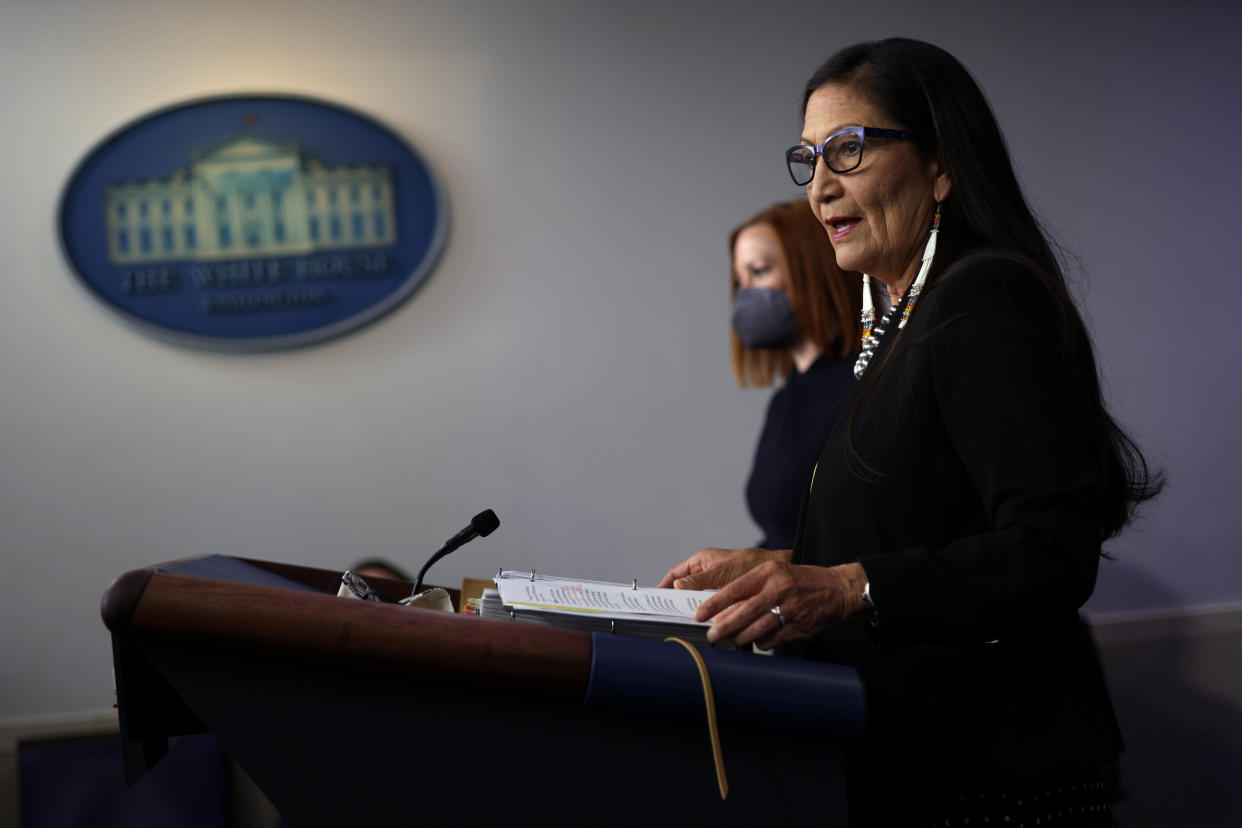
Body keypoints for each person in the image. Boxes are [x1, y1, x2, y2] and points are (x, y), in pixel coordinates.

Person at [660, 38, 1161, 827]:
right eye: (808, 158)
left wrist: (841, 586)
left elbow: (1049, 554)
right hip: (902, 760)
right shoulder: (898, 324)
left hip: (993, 780)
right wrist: (776, 566)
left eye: (848, 151)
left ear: (941, 167)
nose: (820, 186)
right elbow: (923, 528)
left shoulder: (985, 295)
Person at [728, 200, 861, 550]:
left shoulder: (863, 385)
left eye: (759, 271)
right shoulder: (785, 399)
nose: (745, 296)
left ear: (812, 270)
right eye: (740, 281)